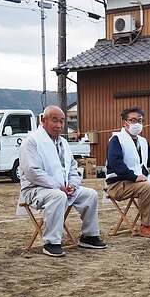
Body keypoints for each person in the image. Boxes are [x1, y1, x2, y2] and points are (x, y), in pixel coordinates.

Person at [19, 105, 106, 257]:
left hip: (63, 188)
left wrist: (72, 184)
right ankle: (51, 242)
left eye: (61, 121)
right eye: (54, 121)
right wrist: (58, 186)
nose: (59, 125)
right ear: (43, 120)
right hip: (35, 189)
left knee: (90, 194)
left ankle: (89, 236)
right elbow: (33, 172)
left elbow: (72, 167)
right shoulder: (31, 141)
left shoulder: (63, 143)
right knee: (58, 196)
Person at [105, 107, 150, 238]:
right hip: (118, 184)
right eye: (132, 120)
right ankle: (146, 225)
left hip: (138, 181)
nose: (136, 123)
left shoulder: (143, 141)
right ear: (125, 123)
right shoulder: (116, 139)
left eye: (140, 120)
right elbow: (116, 163)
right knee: (147, 186)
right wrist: (133, 177)